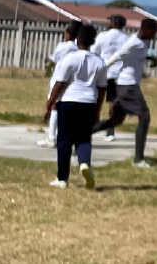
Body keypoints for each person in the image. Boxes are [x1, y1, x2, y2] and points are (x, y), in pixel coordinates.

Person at [44, 25, 106, 190]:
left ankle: (62, 178)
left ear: (77, 39)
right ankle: (84, 163)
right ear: (93, 41)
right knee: (84, 138)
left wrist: (50, 103)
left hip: (69, 101)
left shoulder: (70, 58)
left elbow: (60, 83)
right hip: (89, 103)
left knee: (64, 140)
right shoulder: (99, 62)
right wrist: (97, 110)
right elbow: (102, 89)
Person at [91, 18, 157, 168]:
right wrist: (98, 71)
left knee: (115, 120)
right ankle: (138, 160)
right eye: (154, 32)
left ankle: (79, 137)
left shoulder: (139, 42)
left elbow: (132, 57)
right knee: (144, 116)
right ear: (146, 30)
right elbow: (118, 55)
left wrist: (149, 58)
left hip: (125, 85)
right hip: (128, 86)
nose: (155, 35)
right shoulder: (134, 42)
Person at [36, 20, 83, 148]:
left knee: (54, 107)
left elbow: (52, 60)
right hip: (73, 81)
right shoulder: (79, 48)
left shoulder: (64, 46)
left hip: (59, 78)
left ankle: (51, 137)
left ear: (68, 34)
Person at [92, 15, 129, 142]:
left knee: (96, 100)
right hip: (118, 74)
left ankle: (92, 126)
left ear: (115, 23)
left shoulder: (103, 36)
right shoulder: (126, 39)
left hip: (102, 72)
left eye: (111, 21)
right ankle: (110, 131)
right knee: (113, 102)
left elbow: (94, 51)